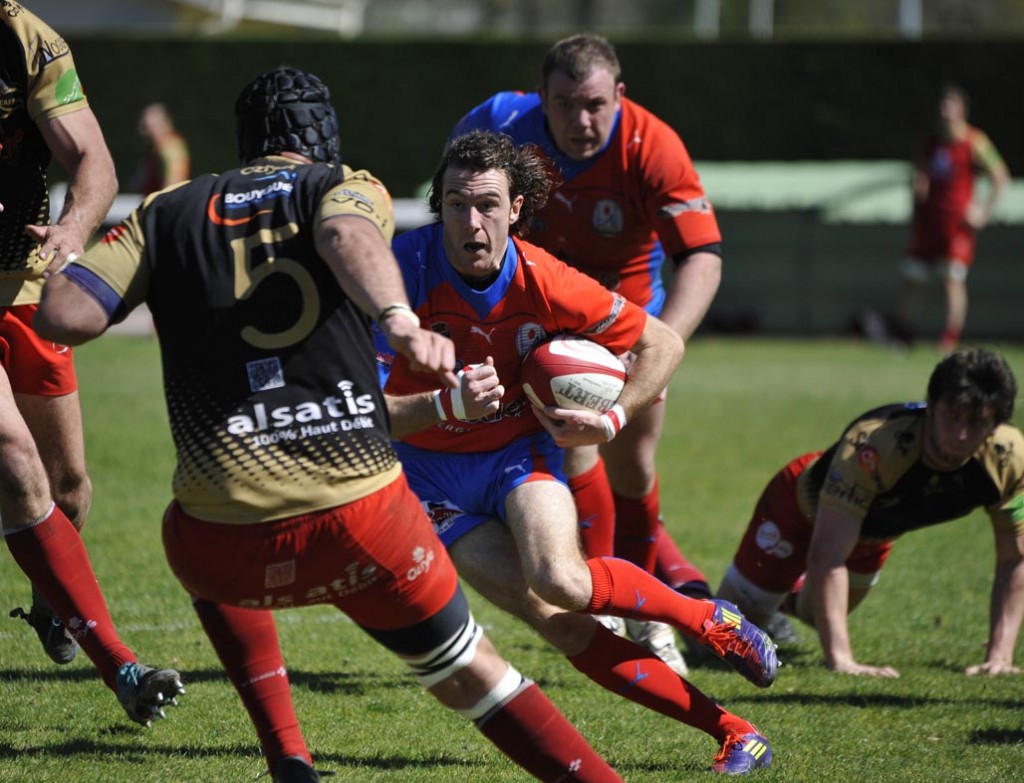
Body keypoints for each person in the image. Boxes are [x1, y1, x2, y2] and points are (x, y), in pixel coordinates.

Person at [35, 67, 636, 783]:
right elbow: (348, 234)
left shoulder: (167, 210)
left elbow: (63, 317)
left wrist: (68, 258)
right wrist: (400, 320)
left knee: (190, 521)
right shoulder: (342, 184)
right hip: (359, 518)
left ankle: (287, 753)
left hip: (221, 545)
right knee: (473, 672)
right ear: (321, 137)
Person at [378, 129, 776, 775]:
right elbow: (361, 411)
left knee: (562, 578)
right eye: (455, 204)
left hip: (515, 453)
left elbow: (662, 345)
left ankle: (708, 618)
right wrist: (444, 407)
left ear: (516, 209)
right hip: (427, 479)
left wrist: (612, 419)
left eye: (485, 205)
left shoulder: (546, 278)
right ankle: (733, 729)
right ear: (438, 205)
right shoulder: (398, 275)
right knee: (557, 620)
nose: (470, 222)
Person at [451, 33, 721, 671]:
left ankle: (646, 615)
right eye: (565, 104)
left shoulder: (653, 146)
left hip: (626, 312)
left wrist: (661, 348)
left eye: (595, 103)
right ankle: (610, 604)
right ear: (539, 98)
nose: (581, 120)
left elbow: (702, 259)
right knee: (567, 450)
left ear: (619, 96)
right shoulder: (499, 124)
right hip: (534, 305)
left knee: (632, 461)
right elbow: (458, 207)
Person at [0, 2, 183, 726]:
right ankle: (123, 667)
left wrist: (75, 227)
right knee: (15, 459)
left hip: (26, 282)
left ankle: (56, 606)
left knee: (68, 489)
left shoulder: (26, 38)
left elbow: (93, 160)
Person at [716, 347, 1024, 678]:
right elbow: (828, 552)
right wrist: (843, 661)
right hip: (796, 509)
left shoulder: (1009, 459)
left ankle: (777, 601)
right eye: (952, 415)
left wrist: (1000, 657)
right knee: (718, 640)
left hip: (872, 536)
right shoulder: (877, 444)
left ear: (996, 425)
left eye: (977, 422)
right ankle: (684, 587)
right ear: (931, 405)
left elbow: (1014, 560)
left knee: (814, 613)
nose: (960, 434)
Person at [895, 84, 1010, 353]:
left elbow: (1000, 177)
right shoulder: (932, 142)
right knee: (912, 276)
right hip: (928, 223)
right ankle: (904, 335)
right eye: (943, 106)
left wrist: (983, 211)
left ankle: (949, 337)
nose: (946, 111)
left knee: (952, 279)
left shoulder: (975, 141)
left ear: (963, 111)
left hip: (956, 225)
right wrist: (917, 201)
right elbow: (920, 174)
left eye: (951, 106)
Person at [134, 102, 190, 196]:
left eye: (153, 126)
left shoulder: (172, 146)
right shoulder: (156, 148)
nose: (147, 132)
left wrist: (161, 201)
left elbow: (174, 181)